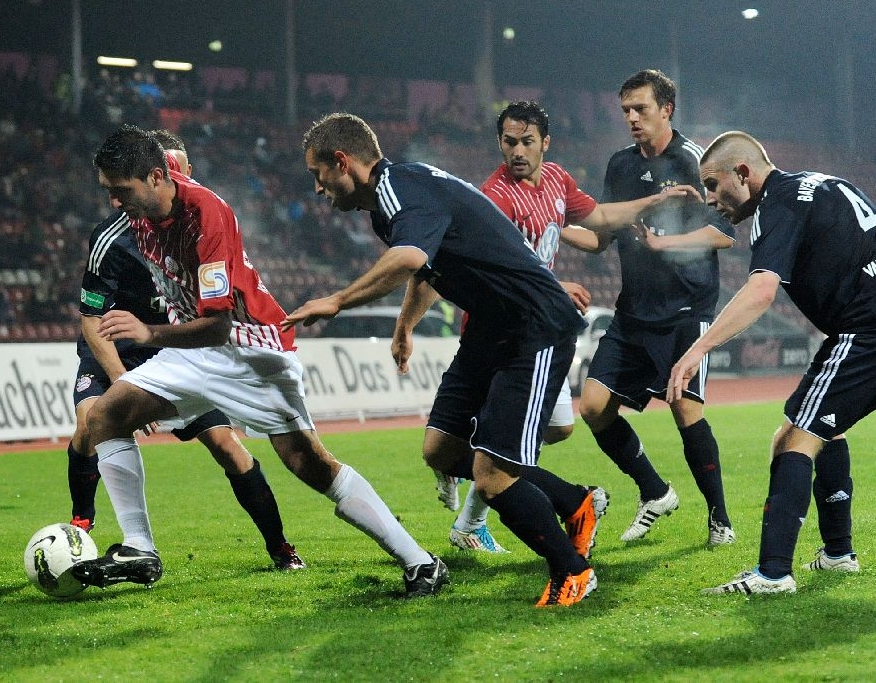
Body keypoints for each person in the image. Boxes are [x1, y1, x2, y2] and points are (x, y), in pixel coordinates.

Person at [288, 113, 690, 606]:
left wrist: (336, 300)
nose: (317, 187)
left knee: (493, 477)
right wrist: (404, 326)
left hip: (532, 327)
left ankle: (573, 571)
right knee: (441, 449)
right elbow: (428, 267)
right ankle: (573, 501)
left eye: (317, 173)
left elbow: (411, 257)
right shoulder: (393, 195)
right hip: (491, 328)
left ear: (342, 161)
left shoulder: (398, 189)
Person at [72, 124, 447, 599]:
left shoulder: (206, 213)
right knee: (106, 415)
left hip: (253, 347)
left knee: (307, 463)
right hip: (195, 352)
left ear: (153, 177)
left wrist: (148, 332)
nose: (113, 202)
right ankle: (139, 548)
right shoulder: (136, 218)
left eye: (120, 191)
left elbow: (218, 325)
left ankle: (420, 562)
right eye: (107, 192)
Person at [668, 131, 876, 594]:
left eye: (712, 184)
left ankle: (772, 573)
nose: (709, 199)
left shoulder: (777, 206)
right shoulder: (823, 183)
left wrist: (696, 350)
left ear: (743, 174)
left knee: (792, 439)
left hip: (875, 329)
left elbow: (761, 290)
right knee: (825, 427)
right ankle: (838, 555)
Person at [67, 129, 304, 571]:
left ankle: (281, 548)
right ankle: (82, 526)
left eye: (181, 169)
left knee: (228, 447)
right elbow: (91, 317)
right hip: (119, 345)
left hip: (176, 347)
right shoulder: (116, 236)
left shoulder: (199, 220)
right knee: (91, 424)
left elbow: (219, 306)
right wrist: (123, 380)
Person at [439, 100, 616, 554]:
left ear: (545, 143)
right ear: (499, 143)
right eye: (509, 142)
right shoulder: (495, 197)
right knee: (503, 448)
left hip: (540, 329)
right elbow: (503, 267)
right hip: (502, 335)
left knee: (556, 428)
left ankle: (468, 472)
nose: (517, 150)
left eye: (526, 141)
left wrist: (641, 213)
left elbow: (593, 230)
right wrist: (558, 285)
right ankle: (480, 515)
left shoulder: (555, 180)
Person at [577, 69, 737, 546]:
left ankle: (720, 521)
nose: (631, 118)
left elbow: (724, 233)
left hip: (687, 310)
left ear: (666, 109)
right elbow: (601, 236)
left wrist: (665, 244)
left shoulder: (694, 160)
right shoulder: (619, 166)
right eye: (625, 109)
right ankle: (654, 490)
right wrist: (547, 225)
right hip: (633, 310)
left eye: (640, 109)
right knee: (593, 407)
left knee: (684, 409)